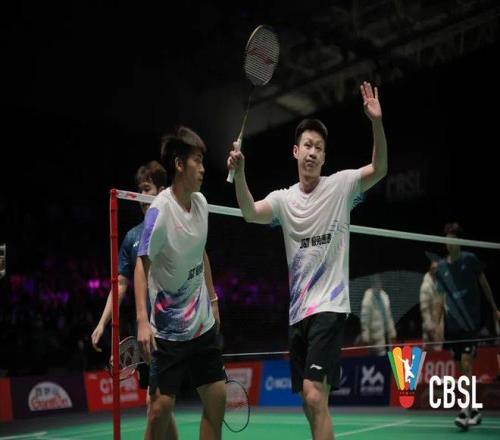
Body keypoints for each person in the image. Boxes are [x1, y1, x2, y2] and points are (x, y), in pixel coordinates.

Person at [227, 81, 387, 439]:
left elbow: (379, 169)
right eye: (308, 146)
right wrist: (239, 174)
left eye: (319, 148)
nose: (313, 152)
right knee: (308, 400)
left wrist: (376, 123)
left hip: (329, 307)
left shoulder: (341, 186)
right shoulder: (283, 200)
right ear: (295, 151)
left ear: (324, 157)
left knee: (315, 396)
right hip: (298, 313)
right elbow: (250, 212)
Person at [135, 126, 225, 440]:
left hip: (201, 325)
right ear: (178, 164)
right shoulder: (159, 212)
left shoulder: (201, 205)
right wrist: (142, 321)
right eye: (196, 160)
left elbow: (201, 253)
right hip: (168, 332)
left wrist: (213, 300)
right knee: (159, 410)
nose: (203, 168)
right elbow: (141, 263)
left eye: (203, 161)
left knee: (217, 399)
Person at [436, 222, 500, 431]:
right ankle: (473, 410)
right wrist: (438, 323)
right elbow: (440, 297)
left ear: (459, 241)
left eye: (453, 239)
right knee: (462, 369)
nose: (449, 243)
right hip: (452, 325)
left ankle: (464, 410)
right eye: (446, 239)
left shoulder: (470, 259)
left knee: (465, 363)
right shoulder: (442, 267)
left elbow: (484, 283)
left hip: (470, 323)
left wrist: (494, 307)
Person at [360, 274, 397, 355]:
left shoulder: (384, 296)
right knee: (377, 359)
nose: (378, 285)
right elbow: (365, 319)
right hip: (375, 338)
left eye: (379, 282)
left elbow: (389, 316)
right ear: (372, 284)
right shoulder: (368, 297)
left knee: (389, 358)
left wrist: (392, 332)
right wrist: (366, 336)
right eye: (376, 283)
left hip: (386, 337)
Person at [420, 259, 444, 351]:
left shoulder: (439, 284)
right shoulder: (426, 286)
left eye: (438, 268)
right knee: (428, 355)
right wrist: (431, 329)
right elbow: (424, 310)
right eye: (434, 268)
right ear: (430, 268)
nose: (436, 270)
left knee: (439, 353)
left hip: (439, 328)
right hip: (430, 330)